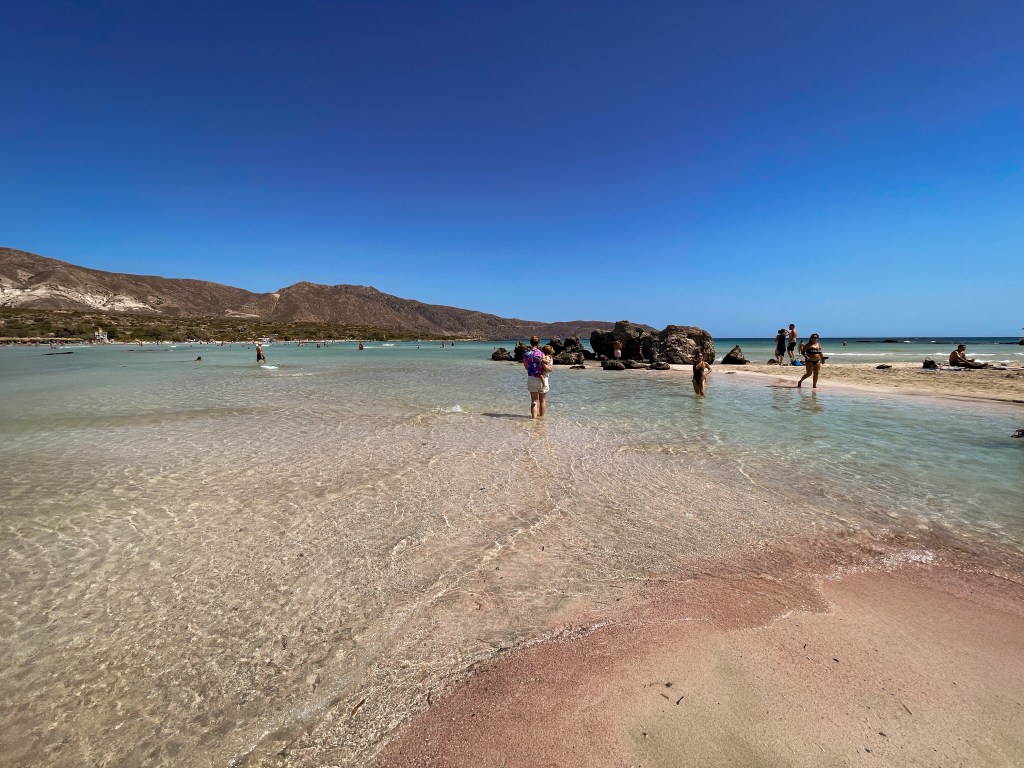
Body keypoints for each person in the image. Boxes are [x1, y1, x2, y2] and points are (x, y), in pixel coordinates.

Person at [523, 336, 550, 418]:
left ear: (530, 343)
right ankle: (541, 420)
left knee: (534, 401)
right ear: (538, 343)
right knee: (542, 400)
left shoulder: (526, 354)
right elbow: (545, 366)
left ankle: (533, 420)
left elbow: (526, 367)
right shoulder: (541, 354)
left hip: (531, 378)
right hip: (541, 378)